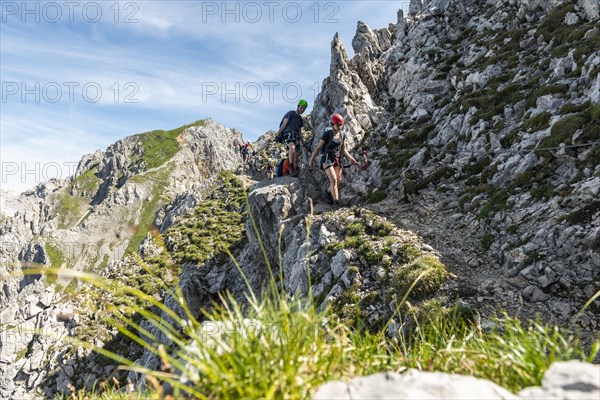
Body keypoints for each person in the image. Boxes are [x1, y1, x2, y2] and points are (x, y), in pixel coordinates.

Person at [308, 113, 357, 206]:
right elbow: (318, 147)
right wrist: (311, 160)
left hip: (337, 159)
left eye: (341, 125)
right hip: (326, 159)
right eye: (337, 125)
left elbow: (343, 149)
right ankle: (336, 202)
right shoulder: (328, 133)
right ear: (333, 124)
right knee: (333, 180)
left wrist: (351, 158)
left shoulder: (342, 134)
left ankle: (327, 193)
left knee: (338, 181)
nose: (339, 127)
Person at [276, 99, 308, 176]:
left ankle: (294, 169)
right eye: (301, 107)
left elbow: (300, 132)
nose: (302, 109)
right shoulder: (290, 113)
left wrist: (303, 142)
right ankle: (291, 168)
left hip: (296, 136)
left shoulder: (300, 119)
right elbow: (284, 124)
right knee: (292, 147)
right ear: (298, 106)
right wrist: (277, 135)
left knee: (296, 154)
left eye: (304, 108)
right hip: (288, 134)